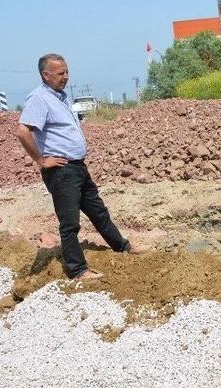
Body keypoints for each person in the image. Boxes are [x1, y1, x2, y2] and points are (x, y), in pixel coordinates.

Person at [15, 53, 135, 280]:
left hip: (77, 167)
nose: (66, 77)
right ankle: (77, 270)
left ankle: (122, 247)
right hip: (61, 171)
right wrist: (41, 161)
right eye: (60, 73)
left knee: (98, 212)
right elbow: (23, 131)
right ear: (46, 75)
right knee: (70, 222)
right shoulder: (40, 98)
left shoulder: (60, 97)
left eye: (67, 72)